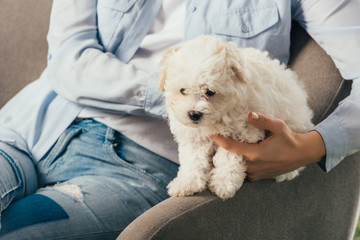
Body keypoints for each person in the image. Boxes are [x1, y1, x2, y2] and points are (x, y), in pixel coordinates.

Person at [0, 0, 359, 239]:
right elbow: (67, 57)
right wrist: (178, 95)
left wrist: (313, 146)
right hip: (30, 127)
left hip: (142, 167)